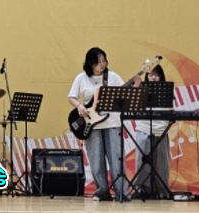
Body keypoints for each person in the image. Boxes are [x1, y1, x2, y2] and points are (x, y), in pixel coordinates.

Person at [67, 47, 134, 201]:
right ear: (90, 64)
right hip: (91, 125)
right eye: (98, 62)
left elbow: (125, 95)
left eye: (104, 61)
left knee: (117, 159)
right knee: (96, 161)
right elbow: (71, 97)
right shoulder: (81, 78)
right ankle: (102, 191)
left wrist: (134, 85)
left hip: (112, 123)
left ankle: (121, 192)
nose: (102, 64)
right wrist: (79, 106)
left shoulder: (113, 77)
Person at [130, 64, 171, 199]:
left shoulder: (166, 90)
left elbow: (170, 111)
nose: (153, 77)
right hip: (143, 129)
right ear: (146, 76)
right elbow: (132, 107)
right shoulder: (141, 90)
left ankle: (161, 190)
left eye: (156, 75)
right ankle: (140, 189)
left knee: (161, 163)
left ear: (161, 76)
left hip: (161, 130)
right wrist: (136, 87)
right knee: (142, 162)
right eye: (150, 75)